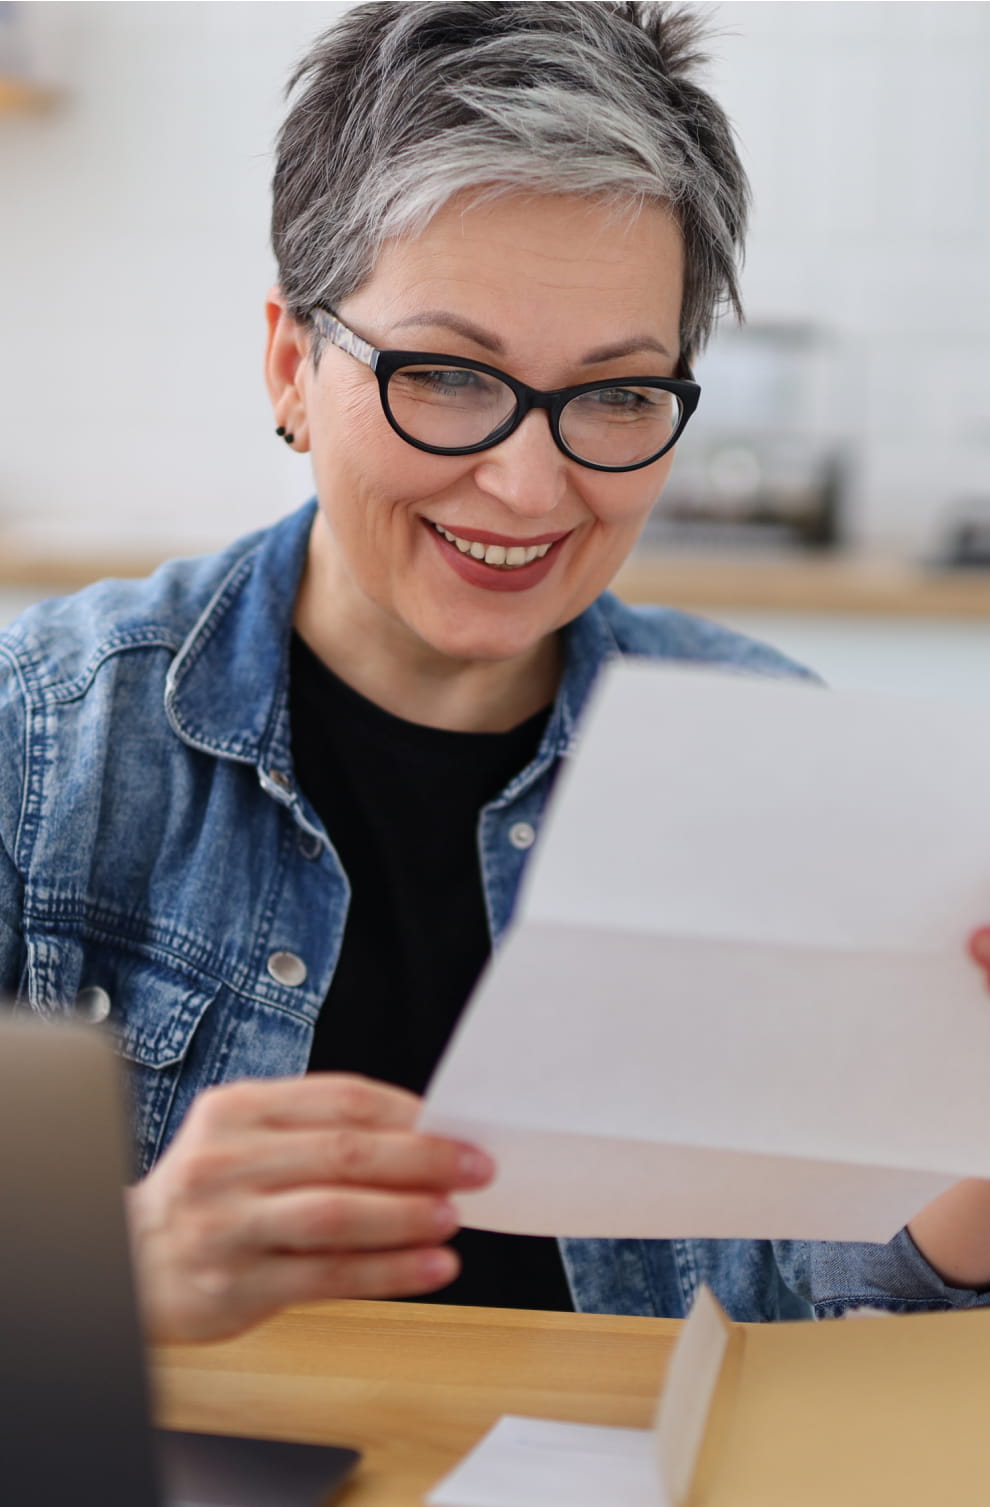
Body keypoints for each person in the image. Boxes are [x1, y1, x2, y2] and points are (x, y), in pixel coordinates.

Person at [3, 0, 990, 1344]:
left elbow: (834, 1323)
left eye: (617, 394)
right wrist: (90, 1271)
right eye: (448, 376)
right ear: (292, 363)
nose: (529, 486)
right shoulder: (43, 742)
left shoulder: (775, 762)